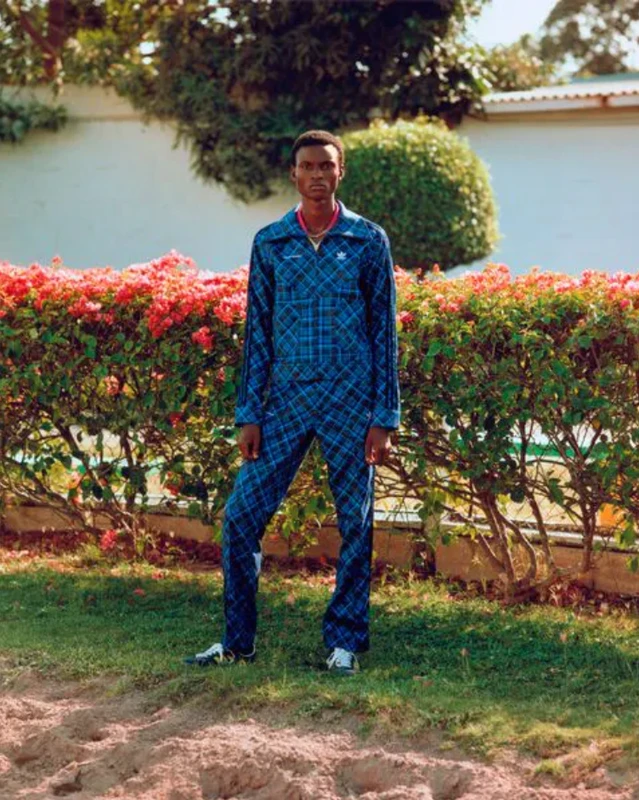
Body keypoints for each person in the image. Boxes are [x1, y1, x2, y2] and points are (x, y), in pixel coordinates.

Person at [185, 129, 400, 675]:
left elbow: (384, 332)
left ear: (340, 171)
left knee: (355, 522)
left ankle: (344, 642)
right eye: (308, 166)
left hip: (351, 401)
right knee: (241, 516)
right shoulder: (271, 242)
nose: (317, 175)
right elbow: (257, 332)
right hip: (285, 402)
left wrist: (384, 416)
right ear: (294, 173)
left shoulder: (367, 240)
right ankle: (237, 642)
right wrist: (249, 413)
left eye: (327, 165)